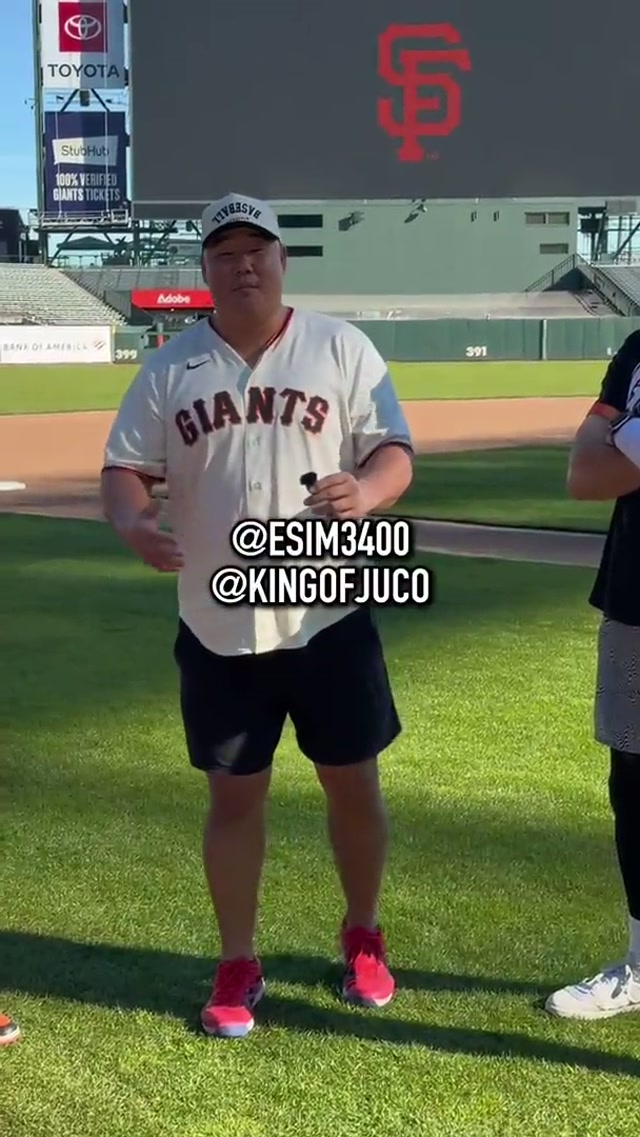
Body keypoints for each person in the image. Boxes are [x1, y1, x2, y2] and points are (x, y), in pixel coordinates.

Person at [100, 192, 414, 1039]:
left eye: (256, 250)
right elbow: (125, 468)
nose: (243, 265)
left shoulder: (340, 346)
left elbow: (393, 450)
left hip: (329, 616)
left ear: (282, 261)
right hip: (218, 625)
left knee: (353, 782)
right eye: (225, 253)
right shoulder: (170, 368)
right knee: (234, 798)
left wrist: (369, 490)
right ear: (205, 269)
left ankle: (363, 933)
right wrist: (133, 522)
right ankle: (238, 958)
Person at [546, 329, 640, 1019]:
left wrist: (617, 442)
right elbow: (584, 472)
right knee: (634, 787)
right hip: (633, 598)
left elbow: (605, 458)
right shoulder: (637, 349)